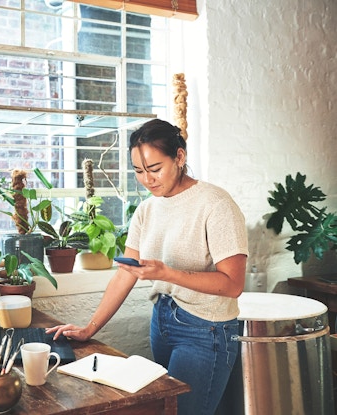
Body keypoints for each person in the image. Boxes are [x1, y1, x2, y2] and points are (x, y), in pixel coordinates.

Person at [47, 118, 248, 415]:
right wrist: (89, 329)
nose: (147, 179)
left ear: (180, 157)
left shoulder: (215, 204)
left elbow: (233, 284)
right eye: (139, 171)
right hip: (163, 321)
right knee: (164, 408)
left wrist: (167, 273)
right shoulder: (147, 209)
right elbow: (126, 272)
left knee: (182, 411)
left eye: (155, 169)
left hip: (206, 329)